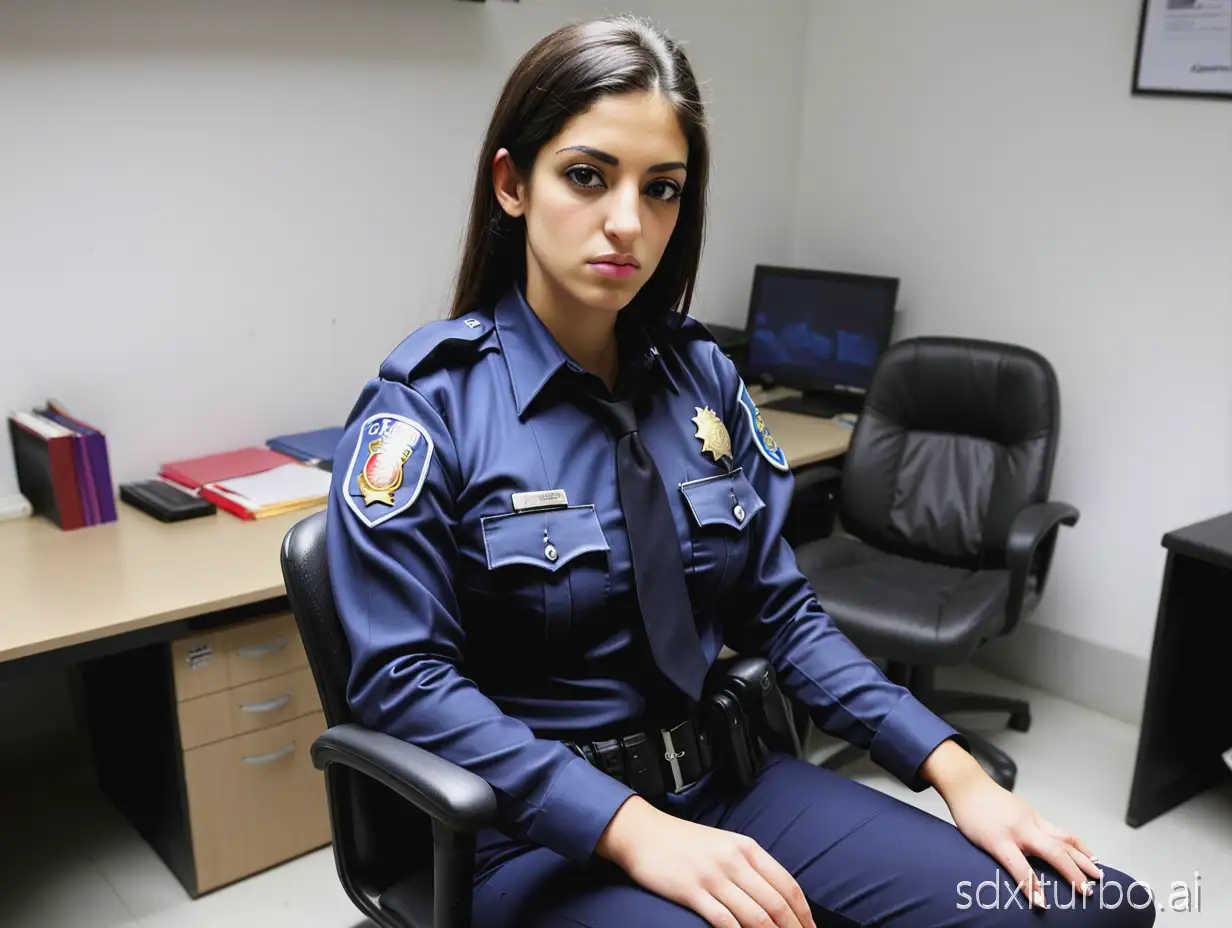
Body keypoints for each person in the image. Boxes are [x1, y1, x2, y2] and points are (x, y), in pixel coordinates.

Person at [326, 15, 1155, 928]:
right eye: (587, 176)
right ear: (512, 183)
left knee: (1090, 912)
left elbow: (784, 616)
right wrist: (629, 826)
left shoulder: (702, 380)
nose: (627, 222)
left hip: (728, 784)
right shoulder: (428, 409)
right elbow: (403, 679)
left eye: (664, 189)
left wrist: (954, 769)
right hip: (537, 833)